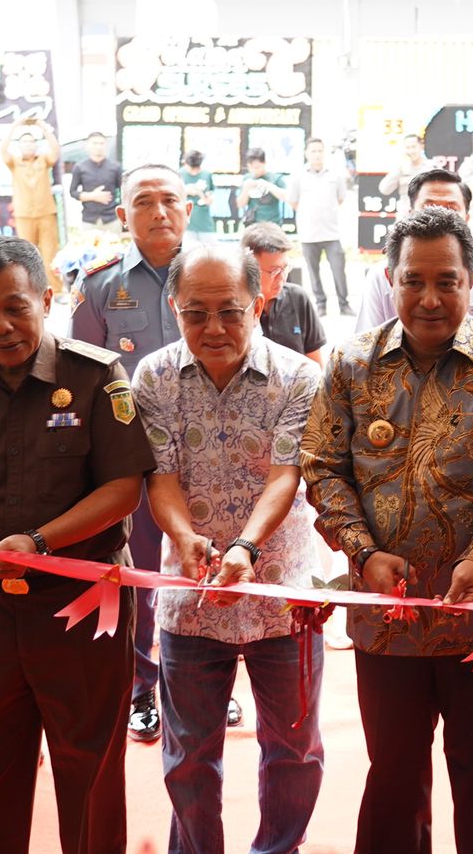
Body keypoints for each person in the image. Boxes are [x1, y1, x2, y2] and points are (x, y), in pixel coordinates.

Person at [301, 206, 473, 853]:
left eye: (447, 281)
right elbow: (323, 468)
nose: (430, 298)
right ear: (390, 279)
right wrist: (363, 553)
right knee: (393, 784)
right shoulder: (351, 365)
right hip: (387, 623)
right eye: (414, 280)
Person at [0, 235, 155, 854]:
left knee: (89, 764)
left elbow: (124, 488)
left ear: (46, 300)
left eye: (15, 307)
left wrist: (40, 542)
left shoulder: (95, 375)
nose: (1, 326)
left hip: (83, 604)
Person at [134, 245, 325, 854]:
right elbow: (161, 478)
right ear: (175, 309)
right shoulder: (153, 378)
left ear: (258, 305)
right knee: (188, 752)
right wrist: (185, 538)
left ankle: (278, 848)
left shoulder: (299, 378)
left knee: (294, 748)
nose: (213, 328)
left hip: (282, 598)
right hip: (190, 600)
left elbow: (286, 475)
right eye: (196, 314)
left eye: (230, 311)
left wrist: (245, 546)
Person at [72, 164, 194, 743]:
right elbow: (79, 377)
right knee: (141, 571)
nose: (159, 212)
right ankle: (144, 686)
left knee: (206, 565)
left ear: (188, 210)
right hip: (135, 459)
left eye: (170, 200)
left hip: (211, 453)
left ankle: (204, 681)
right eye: (144, 202)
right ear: (123, 215)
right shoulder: (100, 284)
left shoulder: (217, 273)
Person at [356, 169, 473, 331]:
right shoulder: (380, 276)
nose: (439, 216)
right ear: (410, 214)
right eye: (413, 283)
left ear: (467, 218)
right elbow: (367, 340)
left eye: (451, 208)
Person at [244, 222, 325, 362]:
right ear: (249, 269)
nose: (281, 278)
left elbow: (315, 365)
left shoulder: (298, 298)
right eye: (274, 271)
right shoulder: (238, 308)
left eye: (285, 268)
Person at [0, 118, 62, 293]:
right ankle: (27, 290)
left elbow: (55, 150)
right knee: (25, 255)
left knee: (50, 253)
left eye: (32, 142)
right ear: (19, 146)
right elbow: (3, 149)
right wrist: (14, 126)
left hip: (46, 213)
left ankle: (56, 291)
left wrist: (43, 127)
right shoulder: (14, 162)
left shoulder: (44, 160)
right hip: (24, 214)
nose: (28, 145)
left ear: (36, 145)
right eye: (25, 142)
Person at [290, 138, 352, 316]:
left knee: (339, 270)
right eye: (313, 151)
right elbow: (293, 202)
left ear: (324, 153)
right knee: (313, 272)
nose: (317, 154)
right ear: (306, 153)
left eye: (319, 151)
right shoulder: (298, 176)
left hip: (331, 233)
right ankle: (321, 304)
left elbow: (340, 198)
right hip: (309, 234)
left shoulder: (335, 175)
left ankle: (344, 304)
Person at [70, 132, 124, 243]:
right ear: (87, 146)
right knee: (90, 250)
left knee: (114, 250)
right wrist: (92, 196)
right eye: (95, 143)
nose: (98, 147)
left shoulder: (115, 167)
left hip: (111, 219)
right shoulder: (80, 167)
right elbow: (73, 192)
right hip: (89, 219)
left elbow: (124, 190)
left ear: (106, 145)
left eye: (101, 143)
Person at [378, 133, 432, 216]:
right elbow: (384, 190)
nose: (411, 151)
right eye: (407, 147)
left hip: (425, 216)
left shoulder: (431, 168)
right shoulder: (401, 168)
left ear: (421, 146)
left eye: (413, 147)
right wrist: (399, 170)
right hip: (405, 217)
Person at [238, 149, 288, 227]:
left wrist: (268, 185)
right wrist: (246, 189)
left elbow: (286, 197)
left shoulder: (275, 178)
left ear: (264, 163)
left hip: (272, 224)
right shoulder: (247, 178)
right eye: (250, 168)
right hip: (253, 225)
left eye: (257, 167)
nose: (254, 171)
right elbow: (240, 204)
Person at [181, 150, 217, 245]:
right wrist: (187, 192)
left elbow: (210, 198)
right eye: (191, 168)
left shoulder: (207, 175)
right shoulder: (179, 174)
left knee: (210, 249)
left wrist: (201, 194)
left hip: (204, 221)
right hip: (186, 222)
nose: (194, 172)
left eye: (196, 168)